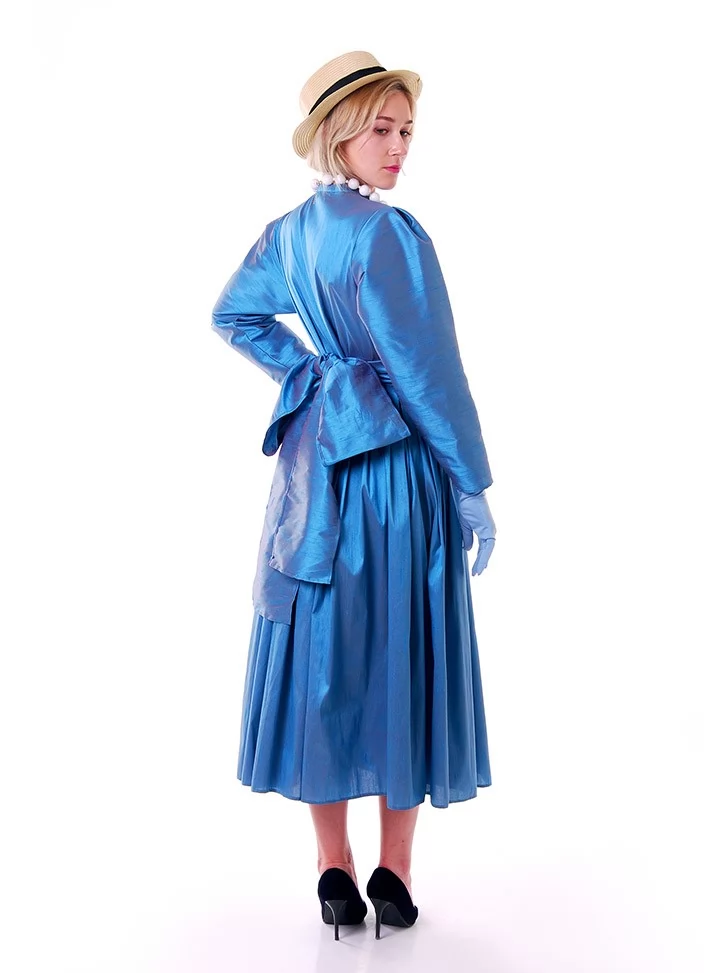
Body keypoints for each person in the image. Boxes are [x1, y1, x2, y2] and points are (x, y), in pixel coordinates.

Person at [210, 50, 497, 941]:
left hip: (313, 475)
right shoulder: (390, 236)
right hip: (393, 476)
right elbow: (430, 372)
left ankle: (331, 866)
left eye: (407, 129)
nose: (399, 145)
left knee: (327, 653)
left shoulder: (287, 234)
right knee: (401, 650)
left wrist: (314, 374)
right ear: (338, 134)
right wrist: (471, 480)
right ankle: (392, 871)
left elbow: (233, 313)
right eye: (382, 128)